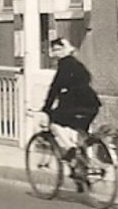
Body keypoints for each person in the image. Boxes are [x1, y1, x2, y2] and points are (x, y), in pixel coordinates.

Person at [41, 36, 101, 164]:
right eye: (55, 50)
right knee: (81, 130)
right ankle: (87, 162)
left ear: (64, 51)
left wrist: (46, 109)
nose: (57, 53)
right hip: (92, 104)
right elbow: (87, 79)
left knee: (54, 122)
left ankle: (70, 149)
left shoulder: (64, 65)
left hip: (75, 105)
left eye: (58, 50)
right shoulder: (78, 65)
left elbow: (54, 88)